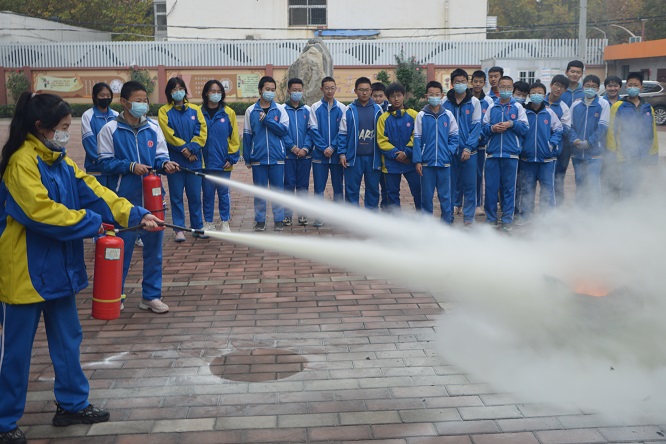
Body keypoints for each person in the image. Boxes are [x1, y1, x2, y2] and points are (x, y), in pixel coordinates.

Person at [0, 92, 162, 443]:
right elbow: (39, 213)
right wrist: (92, 223)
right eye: (62, 127)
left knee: (68, 340)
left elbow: (96, 192)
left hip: (60, 268)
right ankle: (4, 420)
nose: (66, 134)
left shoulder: (60, 161)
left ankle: (72, 404)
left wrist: (135, 213)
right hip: (25, 272)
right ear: (40, 127)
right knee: (16, 351)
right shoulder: (21, 163)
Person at [98, 81, 180, 314]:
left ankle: (151, 296)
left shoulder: (153, 128)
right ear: (124, 102)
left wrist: (166, 164)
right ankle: (116, 295)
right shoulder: (110, 130)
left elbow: (160, 157)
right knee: (121, 250)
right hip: (124, 201)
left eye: (145, 100)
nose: (143, 104)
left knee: (154, 251)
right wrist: (130, 166)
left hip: (153, 200)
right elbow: (104, 163)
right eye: (138, 100)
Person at [158, 77, 208, 242]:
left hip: (194, 160)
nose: (178, 92)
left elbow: (202, 131)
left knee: (195, 196)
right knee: (176, 196)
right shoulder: (164, 111)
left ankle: (197, 227)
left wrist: (192, 148)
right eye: (174, 89)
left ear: (185, 91)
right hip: (175, 162)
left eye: (180, 88)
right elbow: (168, 134)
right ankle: (179, 229)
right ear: (169, 92)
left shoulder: (195, 109)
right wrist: (184, 150)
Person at [482, 75, 529, 231]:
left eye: (509, 87)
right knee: (491, 189)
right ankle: (491, 219)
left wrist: (511, 124)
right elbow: (483, 128)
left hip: (511, 155)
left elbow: (525, 128)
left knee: (509, 189)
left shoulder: (518, 107)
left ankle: (507, 219)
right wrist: (492, 128)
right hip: (493, 154)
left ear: (512, 89)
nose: (506, 90)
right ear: (498, 88)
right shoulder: (492, 107)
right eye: (503, 87)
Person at [243, 75, 289, 231]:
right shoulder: (251, 111)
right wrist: (248, 158)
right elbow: (248, 135)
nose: (270, 92)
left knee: (278, 191)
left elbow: (283, 131)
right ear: (260, 90)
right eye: (267, 89)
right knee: (260, 191)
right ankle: (260, 220)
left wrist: (267, 120)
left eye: (272, 90)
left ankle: (279, 219)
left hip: (277, 158)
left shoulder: (280, 109)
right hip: (258, 158)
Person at [606, 72, 659, 197]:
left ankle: (631, 206)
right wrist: (612, 153)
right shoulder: (618, 106)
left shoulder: (648, 108)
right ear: (626, 87)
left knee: (636, 183)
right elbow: (611, 131)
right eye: (630, 85)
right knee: (627, 184)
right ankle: (625, 207)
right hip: (624, 155)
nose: (633, 87)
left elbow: (652, 133)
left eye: (636, 85)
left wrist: (653, 154)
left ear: (641, 87)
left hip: (642, 155)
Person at [413, 81, 459, 223]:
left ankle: (446, 222)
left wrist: (448, 152)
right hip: (427, 163)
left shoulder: (448, 115)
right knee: (427, 196)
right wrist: (418, 160)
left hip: (444, 163)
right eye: (431, 95)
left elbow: (455, 137)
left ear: (442, 95)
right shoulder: (421, 115)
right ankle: (427, 224)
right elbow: (417, 139)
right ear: (426, 96)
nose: (434, 97)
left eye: (437, 94)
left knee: (445, 196)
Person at [518, 81, 563, 223]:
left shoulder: (549, 112)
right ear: (529, 95)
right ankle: (526, 215)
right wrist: (522, 146)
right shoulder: (524, 112)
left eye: (539, 93)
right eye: (533, 93)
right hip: (527, 159)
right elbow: (519, 131)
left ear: (544, 95)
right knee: (527, 188)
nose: (536, 95)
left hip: (547, 160)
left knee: (548, 188)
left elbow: (558, 129)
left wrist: (551, 144)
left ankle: (547, 217)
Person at [442, 69, 482, 225]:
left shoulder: (474, 102)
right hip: (450, 152)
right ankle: (448, 217)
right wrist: (448, 148)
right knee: (449, 185)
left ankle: (468, 219)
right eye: (457, 82)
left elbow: (476, 127)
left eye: (463, 82)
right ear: (452, 84)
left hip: (469, 152)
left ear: (467, 82)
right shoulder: (444, 102)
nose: (460, 84)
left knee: (470, 186)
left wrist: (468, 148)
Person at [200, 80, 240, 233]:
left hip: (223, 163)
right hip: (205, 163)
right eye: (212, 91)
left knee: (224, 194)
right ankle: (208, 222)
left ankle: (224, 221)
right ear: (206, 93)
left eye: (218, 92)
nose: (215, 94)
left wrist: (231, 158)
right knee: (207, 195)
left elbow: (234, 138)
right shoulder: (198, 112)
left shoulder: (228, 113)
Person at [338, 77, 383, 209]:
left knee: (373, 189)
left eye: (367, 90)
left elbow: (383, 133)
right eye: (361, 90)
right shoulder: (349, 110)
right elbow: (342, 133)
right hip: (354, 158)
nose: (364, 93)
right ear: (355, 91)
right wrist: (342, 154)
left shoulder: (378, 110)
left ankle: (371, 215)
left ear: (371, 91)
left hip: (373, 158)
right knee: (351, 190)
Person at [377, 82, 421, 211]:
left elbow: (417, 135)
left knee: (418, 191)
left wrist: (406, 152)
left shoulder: (414, 115)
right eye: (392, 96)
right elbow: (381, 140)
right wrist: (397, 154)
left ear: (404, 96)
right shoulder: (383, 118)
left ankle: (422, 217)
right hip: (391, 163)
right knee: (392, 194)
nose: (396, 99)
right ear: (388, 98)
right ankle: (396, 220)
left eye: (399, 95)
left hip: (411, 162)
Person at [309, 76, 347, 227]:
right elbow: (313, 130)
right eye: (327, 88)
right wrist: (324, 147)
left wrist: (332, 148)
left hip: (336, 156)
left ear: (335, 88)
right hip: (319, 156)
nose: (330, 91)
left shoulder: (342, 108)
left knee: (338, 187)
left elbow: (343, 131)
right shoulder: (315, 107)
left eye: (332, 88)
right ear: (321, 89)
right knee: (319, 188)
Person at [569, 74, 610, 207]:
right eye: (587, 86)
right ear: (583, 87)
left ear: (598, 88)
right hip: (577, 153)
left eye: (593, 86)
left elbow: (603, 127)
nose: (590, 89)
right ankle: (580, 210)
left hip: (595, 153)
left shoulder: (603, 104)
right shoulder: (575, 105)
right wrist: (575, 140)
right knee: (580, 182)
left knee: (593, 183)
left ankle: (595, 211)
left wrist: (589, 142)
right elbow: (570, 126)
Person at [282, 77, 313, 226]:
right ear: (288, 91)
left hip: (305, 156)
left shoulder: (308, 110)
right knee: (288, 185)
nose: (297, 92)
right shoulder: (281, 110)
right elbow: (281, 132)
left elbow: (311, 131)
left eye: (299, 90)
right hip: (288, 155)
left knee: (303, 186)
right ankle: (287, 215)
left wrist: (305, 148)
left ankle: (302, 214)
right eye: (294, 90)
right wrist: (292, 147)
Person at [555, 60, 585, 205]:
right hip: (562, 139)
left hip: (579, 139)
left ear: (581, 74)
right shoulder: (560, 91)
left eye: (578, 72)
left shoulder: (585, 92)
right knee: (559, 173)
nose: (575, 74)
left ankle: (581, 206)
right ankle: (558, 204)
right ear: (566, 72)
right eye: (572, 71)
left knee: (581, 175)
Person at [81, 82, 118, 188]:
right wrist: (104, 162)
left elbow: (120, 141)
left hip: (114, 168)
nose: (105, 98)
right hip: (96, 169)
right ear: (94, 96)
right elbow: (89, 142)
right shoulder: (88, 116)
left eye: (108, 95)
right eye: (102, 95)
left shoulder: (116, 115)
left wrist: (115, 163)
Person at [471, 70, 494, 215]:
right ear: (471, 82)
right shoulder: (466, 99)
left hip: (480, 144)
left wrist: (479, 136)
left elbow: (488, 122)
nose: (478, 84)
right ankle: (457, 203)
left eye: (480, 82)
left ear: (484, 83)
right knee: (459, 175)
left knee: (478, 174)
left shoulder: (489, 101)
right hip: (466, 143)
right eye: (475, 81)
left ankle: (477, 204)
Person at [601, 75, 624, 200]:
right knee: (602, 174)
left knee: (617, 175)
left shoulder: (624, 104)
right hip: (602, 145)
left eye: (615, 86)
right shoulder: (600, 102)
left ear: (620, 87)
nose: (612, 88)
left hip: (619, 146)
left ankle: (615, 202)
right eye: (609, 86)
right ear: (605, 87)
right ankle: (603, 201)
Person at [371, 81, 390, 209]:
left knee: (387, 184)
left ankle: (386, 208)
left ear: (385, 96)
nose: (378, 99)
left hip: (387, 153)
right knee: (373, 184)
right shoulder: (369, 109)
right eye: (375, 96)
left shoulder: (390, 109)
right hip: (373, 152)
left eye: (380, 96)